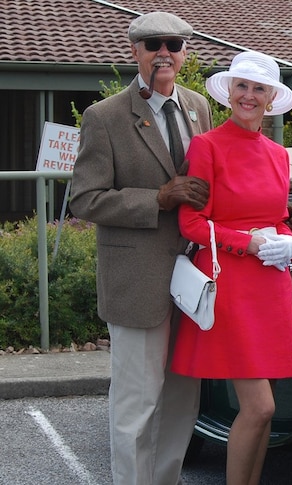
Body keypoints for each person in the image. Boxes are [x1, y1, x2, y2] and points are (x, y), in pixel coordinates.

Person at [69, 11, 213, 485]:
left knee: (180, 401)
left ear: (186, 53)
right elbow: (84, 199)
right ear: (135, 52)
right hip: (137, 283)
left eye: (174, 43)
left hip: (193, 281)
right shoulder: (104, 116)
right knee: (137, 403)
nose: (164, 52)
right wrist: (157, 199)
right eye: (153, 44)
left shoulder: (199, 107)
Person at [170, 50, 292, 485]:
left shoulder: (278, 154)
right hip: (230, 283)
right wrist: (249, 242)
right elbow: (190, 222)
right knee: (260, 406)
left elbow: (277, 216)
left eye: (258, 88)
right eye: (241, 86)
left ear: (271, 98)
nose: (248, 95)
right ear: (229, 92)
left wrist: (290, 241)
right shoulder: (206, 146)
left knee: (267, 412)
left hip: (271, 283)